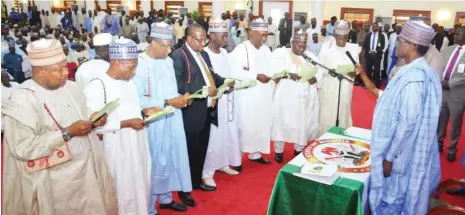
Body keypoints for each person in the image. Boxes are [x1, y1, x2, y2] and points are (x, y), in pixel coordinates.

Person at [2, 38, 117, 215]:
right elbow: (22, 148)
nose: (65, 73)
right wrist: (68, 133)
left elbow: (81, 118)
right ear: (39, 70)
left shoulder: (72, 88)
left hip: (88, 174)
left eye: (65, 66)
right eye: (59, 70)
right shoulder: (23, 99)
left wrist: (92, 122)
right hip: (55, 182)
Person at [367, 20, 441, 215]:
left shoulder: (413, 78)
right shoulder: (423, 70)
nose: (397, 43)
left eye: (401, 40)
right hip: (411, 146)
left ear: (413, 46)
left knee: (395, 196)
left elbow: (407, 123)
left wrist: (389, 157)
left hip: (403, 153)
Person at [84, 38, 152, 215]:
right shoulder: (97, 86)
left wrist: (144, 112)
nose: (133, 72)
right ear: (116, 62)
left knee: (139, 186)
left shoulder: (127, 83)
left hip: (136, 144)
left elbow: (130, 111)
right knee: (121, 191)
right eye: (131, 67)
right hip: (115, 148)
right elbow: (91, 125)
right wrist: (127, 123)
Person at [133, 22, 193, 214]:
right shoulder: (139, 64)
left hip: (172, 119)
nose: (169, 50)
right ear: (153, 43)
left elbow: (171, 90)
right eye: (166, 46)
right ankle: (149, 208)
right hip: (153, 124)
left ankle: (166, 199)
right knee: (155, 164)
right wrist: (168, 101)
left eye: (171, 45)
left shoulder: (167, 61)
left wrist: (182, 99)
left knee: (172, 158)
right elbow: (137, 99)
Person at [171, 23, 227, 204]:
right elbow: (178, 85)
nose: (203, 43)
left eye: (205, 39)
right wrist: (203, 90)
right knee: (188, 152)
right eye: (199, 39)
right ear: (188, 38)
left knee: (200, 149)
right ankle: (183, 190)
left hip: (207, 110)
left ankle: (195, 182)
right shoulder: (179, 55)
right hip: (191, 111)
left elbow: (211, 76)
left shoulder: (203, 54)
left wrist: (226, 81)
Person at [229, 18, 276, 165]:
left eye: (265, 35)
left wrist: (275, 77)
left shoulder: (267, 50)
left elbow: (272, 69)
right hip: (247, 95)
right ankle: (236, 159)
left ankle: (255, 153)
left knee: (261, 123)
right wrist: (255, 75)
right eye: (261, 35)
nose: (263, 38)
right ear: (252, 33)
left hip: (263, 94)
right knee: (244, 125)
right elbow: (233, 71)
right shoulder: (241, 49)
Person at [202, 19, 241, 188]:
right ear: (211, 35)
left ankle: (223, 164)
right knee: (213, 137)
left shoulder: (225, 54)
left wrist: (233, 83)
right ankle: (207, 172)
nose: (226, 39)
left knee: (226, 133)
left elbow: (230, 74)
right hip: (212, 103)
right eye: (223, 36)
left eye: (226, 36)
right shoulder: (203, 54)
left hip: (228, 100)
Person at [272, 31, 321, 163]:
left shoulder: (310, 57)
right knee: (281, 121)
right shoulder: (281, 54)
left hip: (303, 95)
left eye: (304, 44)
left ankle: (299, 148)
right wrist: (287, 75)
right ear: (292, 43)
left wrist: (314, 78)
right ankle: (279, 151)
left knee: (302, 122)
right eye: (299, 44)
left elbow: (320, 72)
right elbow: (274, 72)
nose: (302, 47)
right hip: (285, 93)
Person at [318, 21, 359, 134]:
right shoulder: (326, 48)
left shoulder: (353, 49)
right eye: (339, 38)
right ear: (335, 35)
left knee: (342, 113)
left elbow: (357, 69)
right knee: (327, 114)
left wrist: (353, 73)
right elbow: (319, 68)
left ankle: (339, 139)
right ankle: (324, 138)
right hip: (329, 87)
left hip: (345, 87)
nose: (342, 40)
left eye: (344, 38)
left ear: (348, 36)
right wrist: (328, 72)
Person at [437, 26, 465, 162]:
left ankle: (452, 148)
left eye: (459, 34)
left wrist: (450, 83)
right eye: (455, 33)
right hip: (442, 91)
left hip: (458, 95)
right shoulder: (448, 50)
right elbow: (440, 66)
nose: (455, 36)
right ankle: (439, 142)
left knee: (455, 124)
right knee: (441, 119)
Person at [363, 22, 385, 88]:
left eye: (376, 26)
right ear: (371, 27)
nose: (375, 27)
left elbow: (382, 46)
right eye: (373, 26)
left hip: (377, 55)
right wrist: (369, 51)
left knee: (376, 71)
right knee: (368, 71)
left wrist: (376, 51)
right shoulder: (368, 35)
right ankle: (368, 85)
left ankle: (377, 85)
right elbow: (365, 45)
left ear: (378, 27)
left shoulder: (381, 36)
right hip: (369, 55)